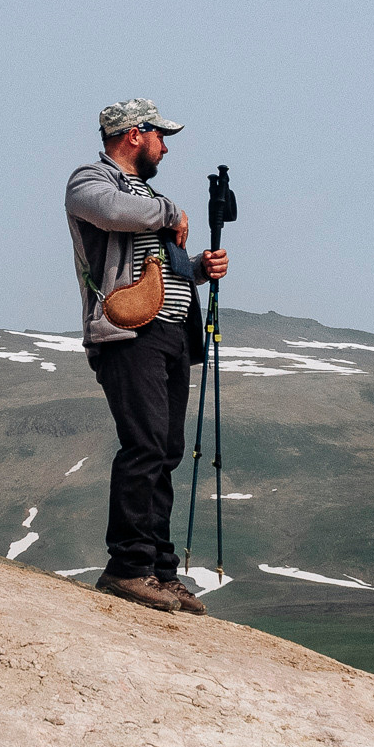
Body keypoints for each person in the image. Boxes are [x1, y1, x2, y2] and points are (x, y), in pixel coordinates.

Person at [65, 99, 229, 613]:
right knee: (145, 445)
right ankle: (127, 568)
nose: (165, 146)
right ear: (134, 135)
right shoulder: (92, 180)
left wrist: (198, 267)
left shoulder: (148, 194)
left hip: (170, 335)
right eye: (161, 135)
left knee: (166, 449)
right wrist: (169, 213)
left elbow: (160, 264)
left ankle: (159, 569)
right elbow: (110, 214)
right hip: (127, 334)